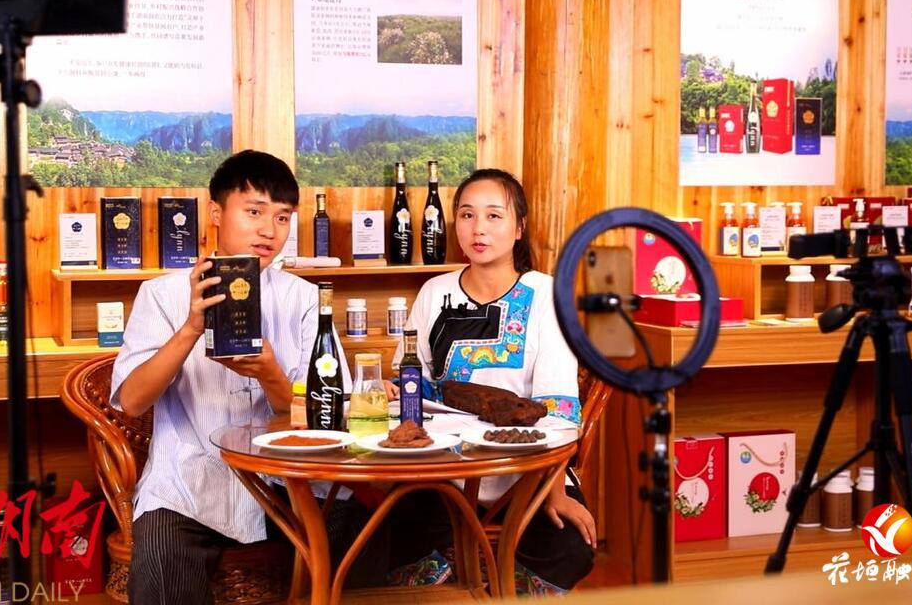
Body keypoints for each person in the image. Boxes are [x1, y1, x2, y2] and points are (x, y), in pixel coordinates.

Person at [111, 150, 351, 604]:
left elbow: (328, 413)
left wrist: (272, 375)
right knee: (160, 567)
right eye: (254, 212)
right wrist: (190, 328)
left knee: (360, 539)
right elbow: (133, 401)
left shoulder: (304, 299)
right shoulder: (161, 294)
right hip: (187, 485)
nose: (269, 231)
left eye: (282, 217)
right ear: (216, 212)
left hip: (287, 483)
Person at [393, 168, 595, 594]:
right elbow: (410, 382)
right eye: (467, 215)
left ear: (519, 227)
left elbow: (559, 412)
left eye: (493, 215)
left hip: (527, 474)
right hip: (441, 474)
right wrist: (396, 389)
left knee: (572, 549)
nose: (478, 228)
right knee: (377, 531)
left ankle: (482, 581)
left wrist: (556, 493)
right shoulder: (434, 293)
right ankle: (464, 582)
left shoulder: (548, 296)